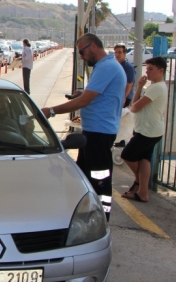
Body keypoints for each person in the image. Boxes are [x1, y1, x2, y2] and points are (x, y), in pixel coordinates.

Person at [41, 33, 126, 221]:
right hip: (95, 132)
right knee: (84, 177)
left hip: (99, 134)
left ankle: (102, 219)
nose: (82, 56)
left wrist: (51, 111)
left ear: (93, 46)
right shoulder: (105, 66)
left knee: (100, 179)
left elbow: (85, 101)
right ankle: (87, 215)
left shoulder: (107, 67)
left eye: (82, 52)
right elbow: (93, 95)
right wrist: (82, 93)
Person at [121, 57, 167, 203]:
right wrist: (140, 86)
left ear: (161, 71)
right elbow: (135, 103)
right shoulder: (155, 87)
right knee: (144, 159)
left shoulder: (157, 88)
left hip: (148, 131)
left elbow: (134, 107)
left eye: (151, 69)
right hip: (149, 129)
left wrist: (141, 89)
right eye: (147, 69)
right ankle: (142, 191)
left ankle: (140, 183)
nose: (147, 72)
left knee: (127, 154)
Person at [113, 43, 136, 147]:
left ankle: (122, 141)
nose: (118, 54)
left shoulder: (128, 67)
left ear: (125, 53)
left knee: (123, 118)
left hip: (124, 97)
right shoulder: (115, 64)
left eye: (120, 52)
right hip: (117, 96)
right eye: (116, 52)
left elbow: (129, 84)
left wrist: (124, 97)